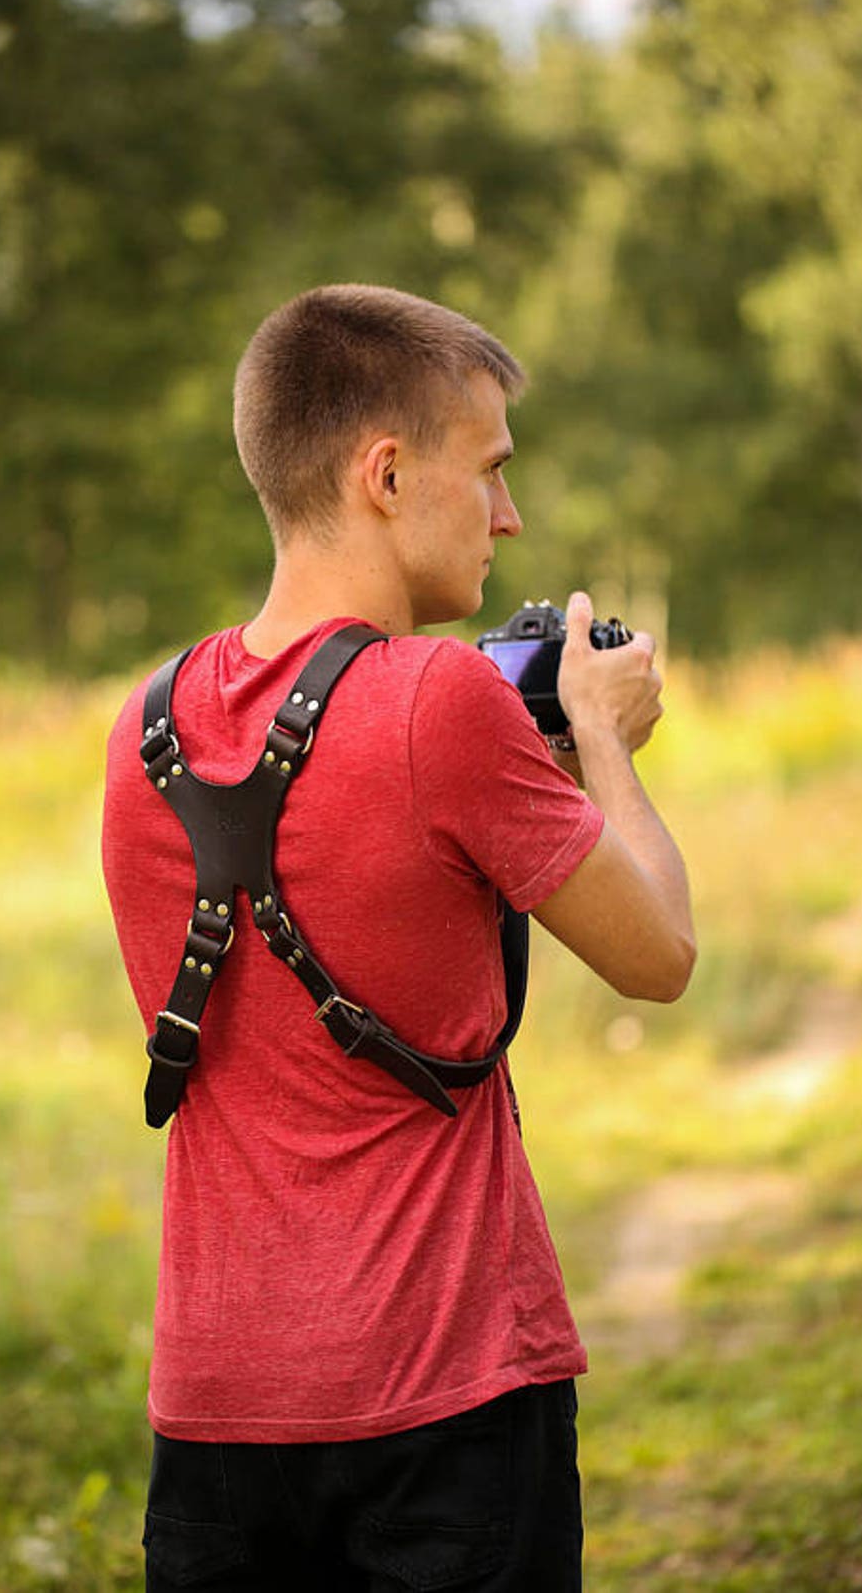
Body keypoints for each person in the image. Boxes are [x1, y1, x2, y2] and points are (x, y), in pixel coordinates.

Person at [101, 284, 695, 1592]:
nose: (509, 516)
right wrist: (600, 744)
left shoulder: (144, 728)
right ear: (383, 474)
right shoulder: (440, 701)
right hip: (448, 1399)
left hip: (212, 1413)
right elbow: (660, 957)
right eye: (487, 472)